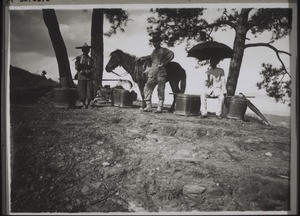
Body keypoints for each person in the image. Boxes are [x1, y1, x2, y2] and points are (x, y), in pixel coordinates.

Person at [142, 34, 174, 113]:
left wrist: (163, 63)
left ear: (159, 42)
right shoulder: (153, 52)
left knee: (160, 90)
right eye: (153, 42)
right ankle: (148, 106)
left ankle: (160, 107)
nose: (154, 44)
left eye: (156, 42)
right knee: (147, 88)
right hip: (152, 74)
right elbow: (152, 62)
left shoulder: (164, 50)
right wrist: (147, 70)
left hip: (161, 73)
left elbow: (172, 55)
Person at [75, 43, 94, 109]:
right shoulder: (79, 58)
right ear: (82, 50)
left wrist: (88, 71)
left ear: (89, 51)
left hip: (89, 77)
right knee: (81, 90)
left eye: (87, 50)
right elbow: (77, 66)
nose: (86, 51)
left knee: (89, 90)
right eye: (84, 50)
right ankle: (83, 104)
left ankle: (88, 104)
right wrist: (81, 71)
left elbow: (92, 67)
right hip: (81, 76)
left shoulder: (91, 59)